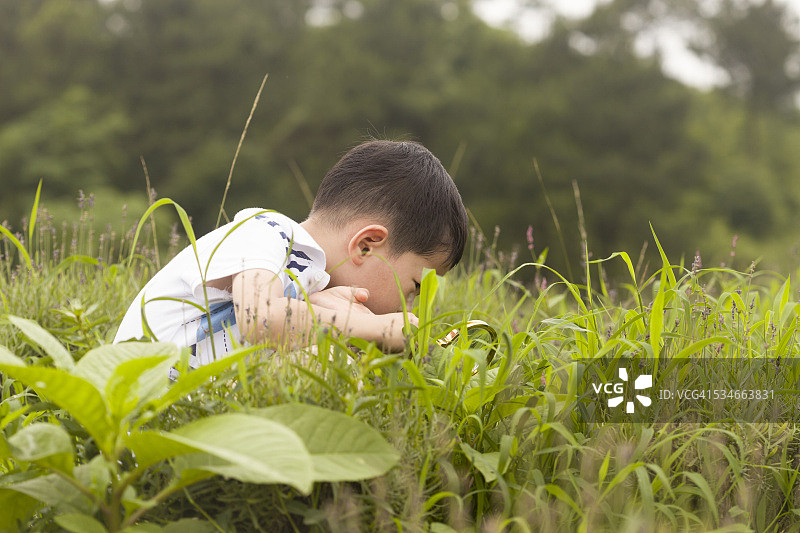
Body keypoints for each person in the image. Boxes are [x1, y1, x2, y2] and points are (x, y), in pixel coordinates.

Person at [114, 140, 469, 369]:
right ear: (366, 245)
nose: (406, 307)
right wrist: (369, 326)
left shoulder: (307, 280)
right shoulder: (266, 231)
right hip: (144, 409)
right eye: (412, 288)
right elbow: (259, 317)